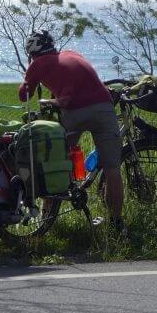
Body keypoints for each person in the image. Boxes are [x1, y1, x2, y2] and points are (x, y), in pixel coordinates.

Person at [18, 30, 124, 231]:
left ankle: (47, 218)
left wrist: (29, 78)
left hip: (74, 111)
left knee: (54, 158)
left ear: (32, 53)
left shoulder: (37, 63)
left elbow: (24, 95)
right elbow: (74, 78)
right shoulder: (73, 53)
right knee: (112, 170)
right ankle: (116, 224)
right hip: (104, 106)